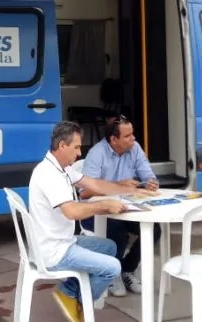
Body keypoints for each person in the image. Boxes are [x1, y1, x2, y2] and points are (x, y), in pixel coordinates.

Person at [29, 121, 157, 322]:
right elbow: (71, 211)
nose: (79, 154)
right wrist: (104, 205)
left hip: (61, 240)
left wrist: (131, 191)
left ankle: (70, 291)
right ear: (62, 145)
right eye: (77, 147)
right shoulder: (49, 175)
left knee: (109, 247)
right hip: (54, 251)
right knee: (112, 267)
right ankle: (75, 298)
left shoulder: (62, 168)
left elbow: (94, 184)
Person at [78, 115, 161, 296]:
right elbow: (84, 193)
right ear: (114, 140)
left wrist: (151, 182)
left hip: (126, 209)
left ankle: (126, 269)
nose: (133, 139)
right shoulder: (96, 154)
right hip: (96, 212)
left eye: (132, 134)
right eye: (128, 136)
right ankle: (111, 274)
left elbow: (148, 175)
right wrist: (117, 186)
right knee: (118, 231)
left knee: (155, 229)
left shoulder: (135, 148)